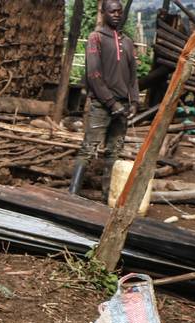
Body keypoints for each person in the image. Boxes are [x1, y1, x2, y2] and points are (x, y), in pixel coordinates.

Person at [70, 0, 139, 197]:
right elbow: (93, 74)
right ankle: (72, 194)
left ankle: (109, 195)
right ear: (104, 13)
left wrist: (134, 101)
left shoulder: (127, 41)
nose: (117, 14)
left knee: (114, 152)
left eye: (119, 11)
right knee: (88, 150)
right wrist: (110, 102)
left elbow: (133, 76)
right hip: (102, 106)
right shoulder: (96, 38)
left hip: (123, 107)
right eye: (113, 11)